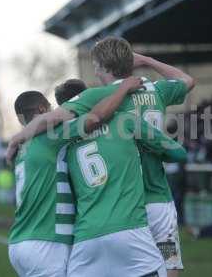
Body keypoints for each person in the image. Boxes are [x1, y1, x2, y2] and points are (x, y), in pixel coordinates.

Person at [6, 37, 195, 276]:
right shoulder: (154, 89)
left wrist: (20, 136)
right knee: (170, 264)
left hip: (120, 208)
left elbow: (54, 118)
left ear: (102, 67)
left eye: (95, 65)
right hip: (157, 200)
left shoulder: (96, 98)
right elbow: (187, 81)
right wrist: (147, 60)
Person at [8, 77, 144, 277]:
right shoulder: (51, 137)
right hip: (46, 243)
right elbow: (94, 118)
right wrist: (122, 89)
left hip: (18, 243)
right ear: (43, 110)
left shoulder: (21, 149)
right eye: (51, 108)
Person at [54, 79, 188, 277]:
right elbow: (178, 154)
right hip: (142, 216)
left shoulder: (62, 140)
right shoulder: (123, 120)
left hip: (87, 234)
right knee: (168, 265)